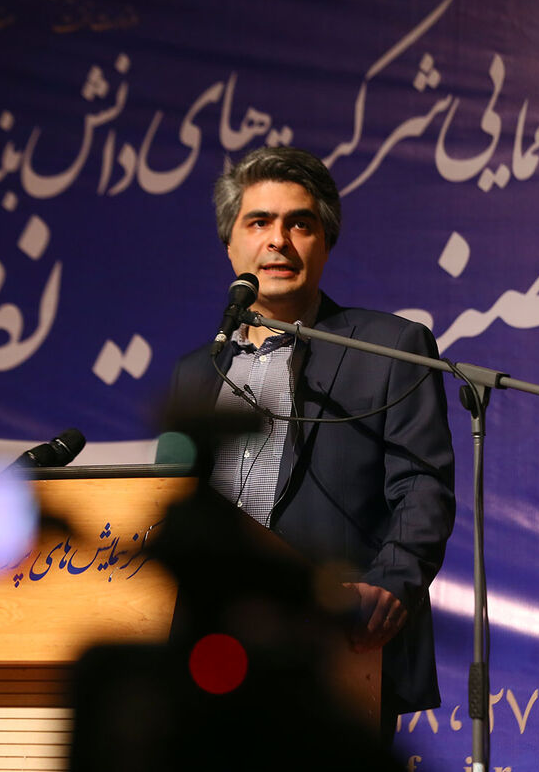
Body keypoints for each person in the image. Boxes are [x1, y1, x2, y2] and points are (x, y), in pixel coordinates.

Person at [159, 146, 456, 740]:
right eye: (259, 222)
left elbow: (423, 486)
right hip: (209, 655)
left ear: (325, 243)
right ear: (230, 245)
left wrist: (390, 584)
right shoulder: (195, 371)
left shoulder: (389, 349)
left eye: (300, 224)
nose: (279, 240)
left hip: (334, 644)